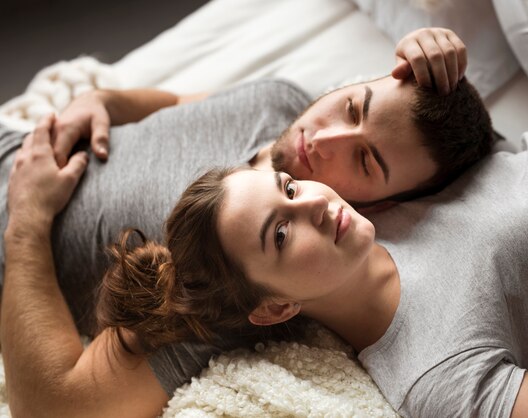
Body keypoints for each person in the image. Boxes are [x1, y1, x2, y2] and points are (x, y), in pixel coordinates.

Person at [7, 84, 528, 418]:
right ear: (274, 309)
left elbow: (169, 106)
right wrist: (27, 216)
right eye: (280, 233)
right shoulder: (437, 371)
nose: (313, 201)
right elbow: (57, 409)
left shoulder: (335, 165)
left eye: (291, 189)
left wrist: (103, 99)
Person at [0, 28, 495, 417]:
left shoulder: (233, 279)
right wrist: (103, 102)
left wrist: (27, 218)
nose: (324, 138)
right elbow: (174, 108)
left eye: (364, 161)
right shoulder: (279, 100)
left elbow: (56, 406)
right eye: (351, 107)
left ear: (386, 205)